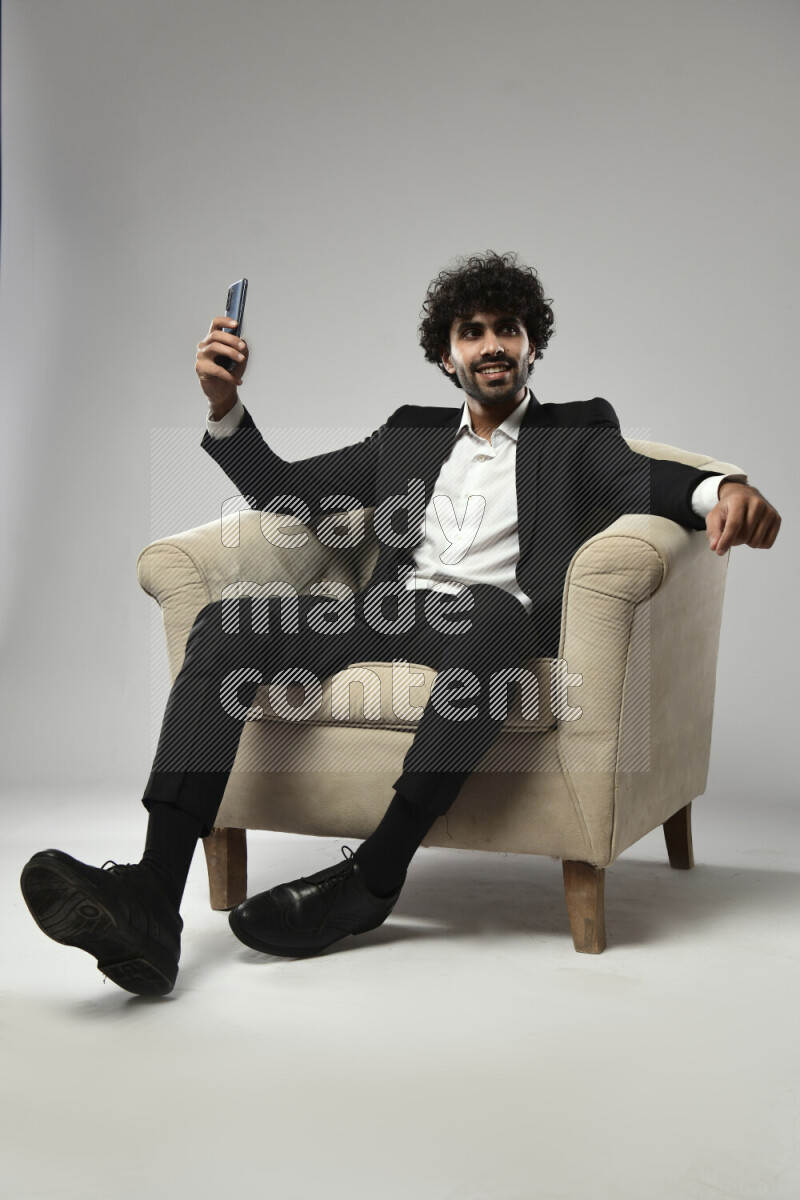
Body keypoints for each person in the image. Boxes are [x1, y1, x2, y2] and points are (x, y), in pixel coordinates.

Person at [20, 252, 781, 996]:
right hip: (394, 611)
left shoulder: (577, 432)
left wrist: (723, 491)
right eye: (472, 332)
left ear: (531, 345)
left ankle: (374, 874)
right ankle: (154, 897)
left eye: (507, 329)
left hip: (491, 625)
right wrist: (225, 409)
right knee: (224, 625)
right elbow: (291, 495)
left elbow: (640, 478)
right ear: (448, 357)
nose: (492, 345)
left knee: (488, 614)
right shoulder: (409, 435)